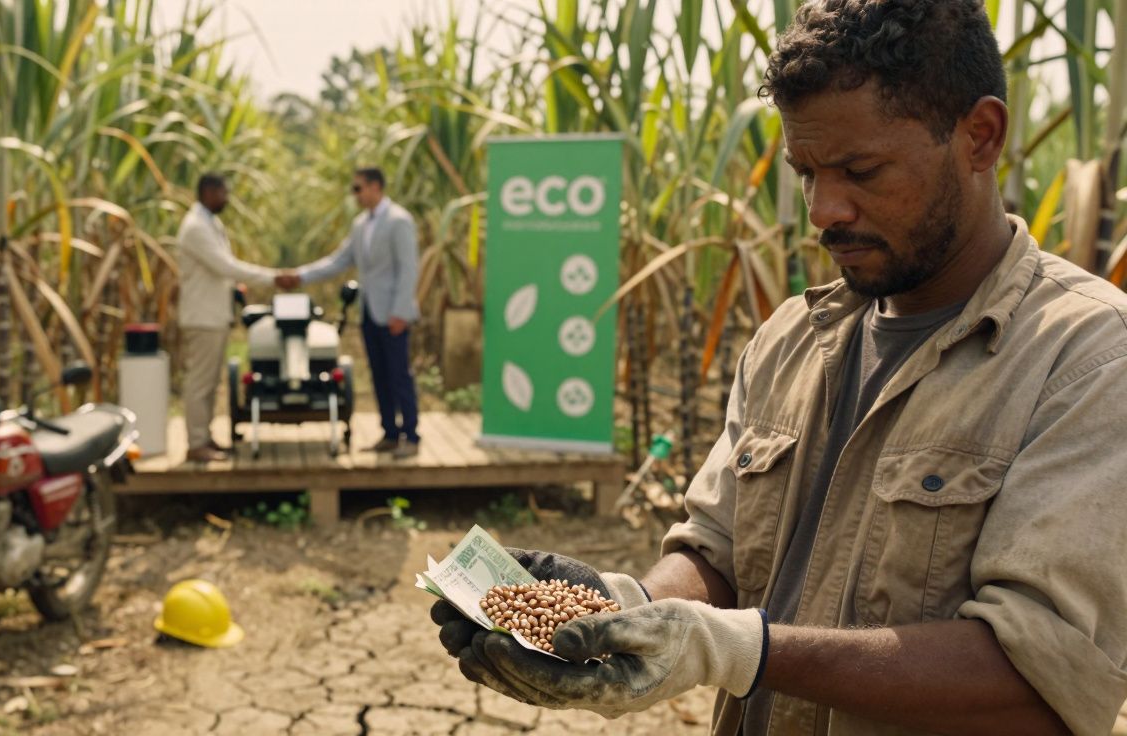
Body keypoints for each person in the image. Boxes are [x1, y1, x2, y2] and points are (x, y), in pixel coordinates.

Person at [432, 1, 1127, 733]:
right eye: (806, 172)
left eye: (861, 171)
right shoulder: (792, 339)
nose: (823, 210)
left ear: (980, 137)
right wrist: (626, 608)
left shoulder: (1084, 359)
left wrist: (738, 650)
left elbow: (1037, 674)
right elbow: (719, 553)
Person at [278, 167, 422, 459]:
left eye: (358, 189)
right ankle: (390, 433)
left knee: (399, 375)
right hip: (369, 311)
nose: (354, 195)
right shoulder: (360, 225)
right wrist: (300, 276)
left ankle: (411, 434)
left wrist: (400, 312)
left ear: (375, 187)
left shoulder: (398, 221)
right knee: (379, 374)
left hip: (392, 313)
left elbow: (409, 269)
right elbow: (339, 260)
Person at [176, 173, 276, 463]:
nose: (227, 198)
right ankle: (196, 443)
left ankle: (204, 437)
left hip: (214, 316)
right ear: (209, 192)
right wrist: (272, 278)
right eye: (223, 193)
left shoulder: (211, 223)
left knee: (209, 384)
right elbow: (225, 265)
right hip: (202, 317)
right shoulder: (196, 227)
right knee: (200, 383)